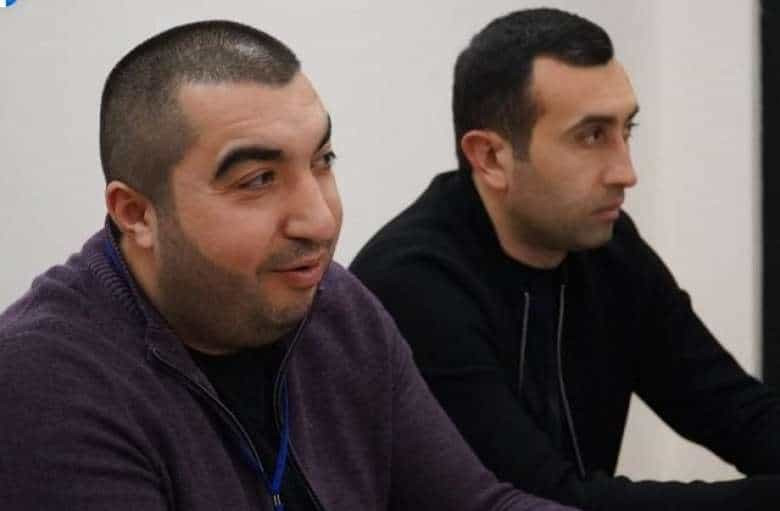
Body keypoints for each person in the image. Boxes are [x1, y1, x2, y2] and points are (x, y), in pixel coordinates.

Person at [0, 20, 577, 511]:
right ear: (137, 214)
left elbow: (475, 504)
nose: (320, 221)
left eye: (323, 160)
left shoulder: (335, 305)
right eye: (258, 180)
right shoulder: (44, 382)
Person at [351, 7, 780, 510]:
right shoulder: (413, 284)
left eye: (627, 130)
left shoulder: (610, 248)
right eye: (592, 136)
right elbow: (538, 499)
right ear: (490, 157)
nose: (625, 171)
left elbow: (733, 409)